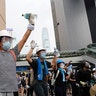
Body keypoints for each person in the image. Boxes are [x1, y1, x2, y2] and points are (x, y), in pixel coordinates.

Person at [0, 18, 35, 96]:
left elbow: (23, 40)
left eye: (9, 39)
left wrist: (30, 26)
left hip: (13, 89)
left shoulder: (13, 52)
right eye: (5, 39)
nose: (8, 41)